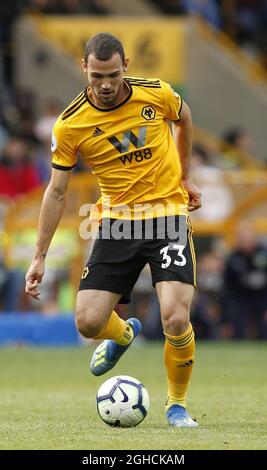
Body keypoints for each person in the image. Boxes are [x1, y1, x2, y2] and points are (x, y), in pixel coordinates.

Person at [25, 32, 201, 427]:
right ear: (84, 68)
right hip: (117, 224)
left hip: (168, 216)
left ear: (126, 68)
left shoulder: (156, 94)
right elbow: (56, 192)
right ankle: (123, 334)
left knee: (175, 317)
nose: (105, 85)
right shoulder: (70, 124)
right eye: (97, 76)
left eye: (113, 75)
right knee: (87, 322)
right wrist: (39, 256)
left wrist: (186, 177)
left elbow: (184, 117)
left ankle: (176, 405)